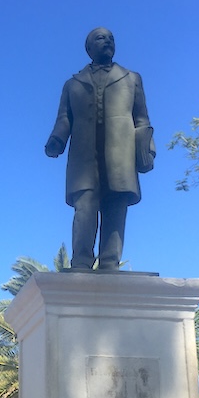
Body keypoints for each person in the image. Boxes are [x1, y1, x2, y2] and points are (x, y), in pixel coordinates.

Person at [45, 27, 155, 271]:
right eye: (101, 38)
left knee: (116, 204)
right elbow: (64, 118)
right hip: (84, 156)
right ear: (89, 48)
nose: (108, 41)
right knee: (85, 205)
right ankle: (81, 261)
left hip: (121, 154)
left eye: (111, 38)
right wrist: (56, 140)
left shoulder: (131, 78)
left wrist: (147, 151)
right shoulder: (72, 84)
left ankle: (109, 261)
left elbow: (142, 119)